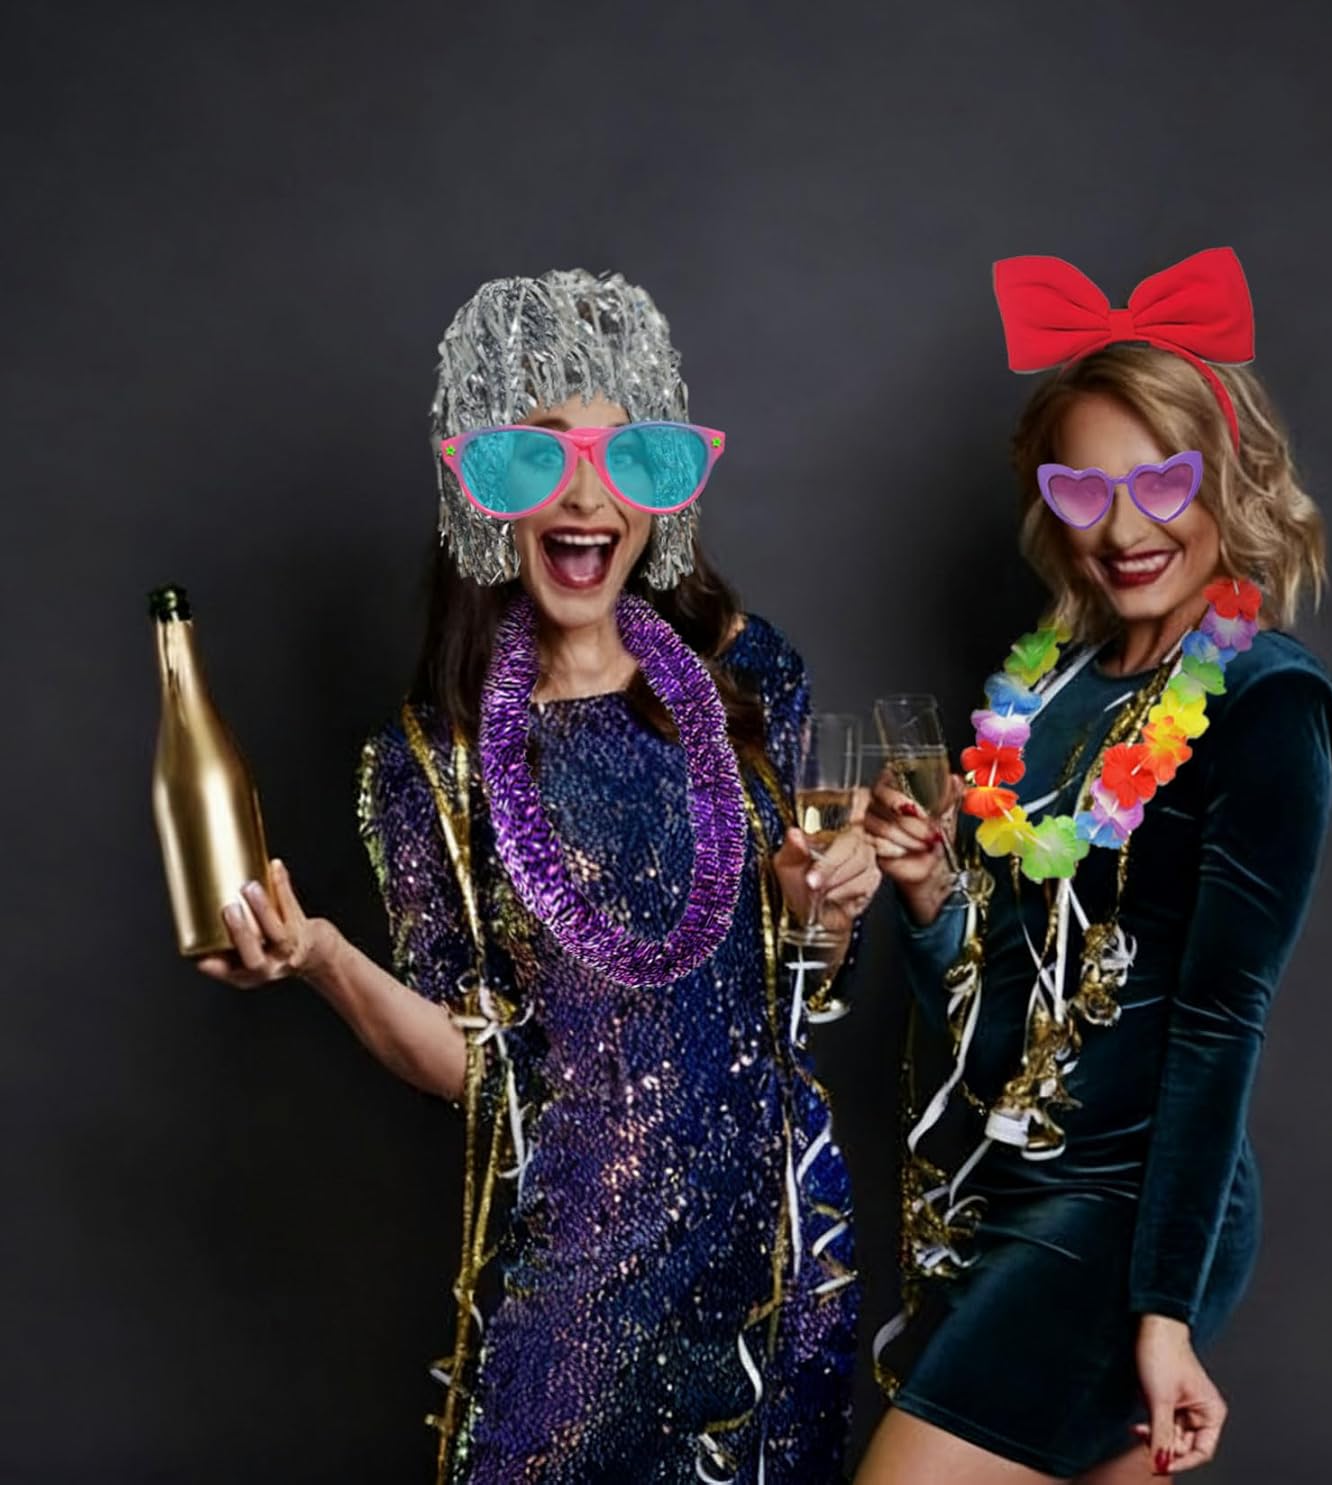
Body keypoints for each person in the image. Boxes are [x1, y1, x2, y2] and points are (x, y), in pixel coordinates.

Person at [197, 269, 877, 1484]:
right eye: (544, 455)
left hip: (777, 1275)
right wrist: (324, 961)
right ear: (487, 489)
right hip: (582, 1300)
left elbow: (799, 982)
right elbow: (476, 1065)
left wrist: (824, 908)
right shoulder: (430, 766)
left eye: (622, 459)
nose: (586, 496)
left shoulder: (748, 683)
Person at [858, 250, 1332, 1483]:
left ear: (1224, 475)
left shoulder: (1267, 700)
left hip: (1128, 1216)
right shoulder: (1049, 693)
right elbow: (1002, 1011)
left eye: (1161, 482)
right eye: (1085, 490)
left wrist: (1164, 1314)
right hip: (1007, 1186)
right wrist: (930, 895)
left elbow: (1221, 1022)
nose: (1124, 531)